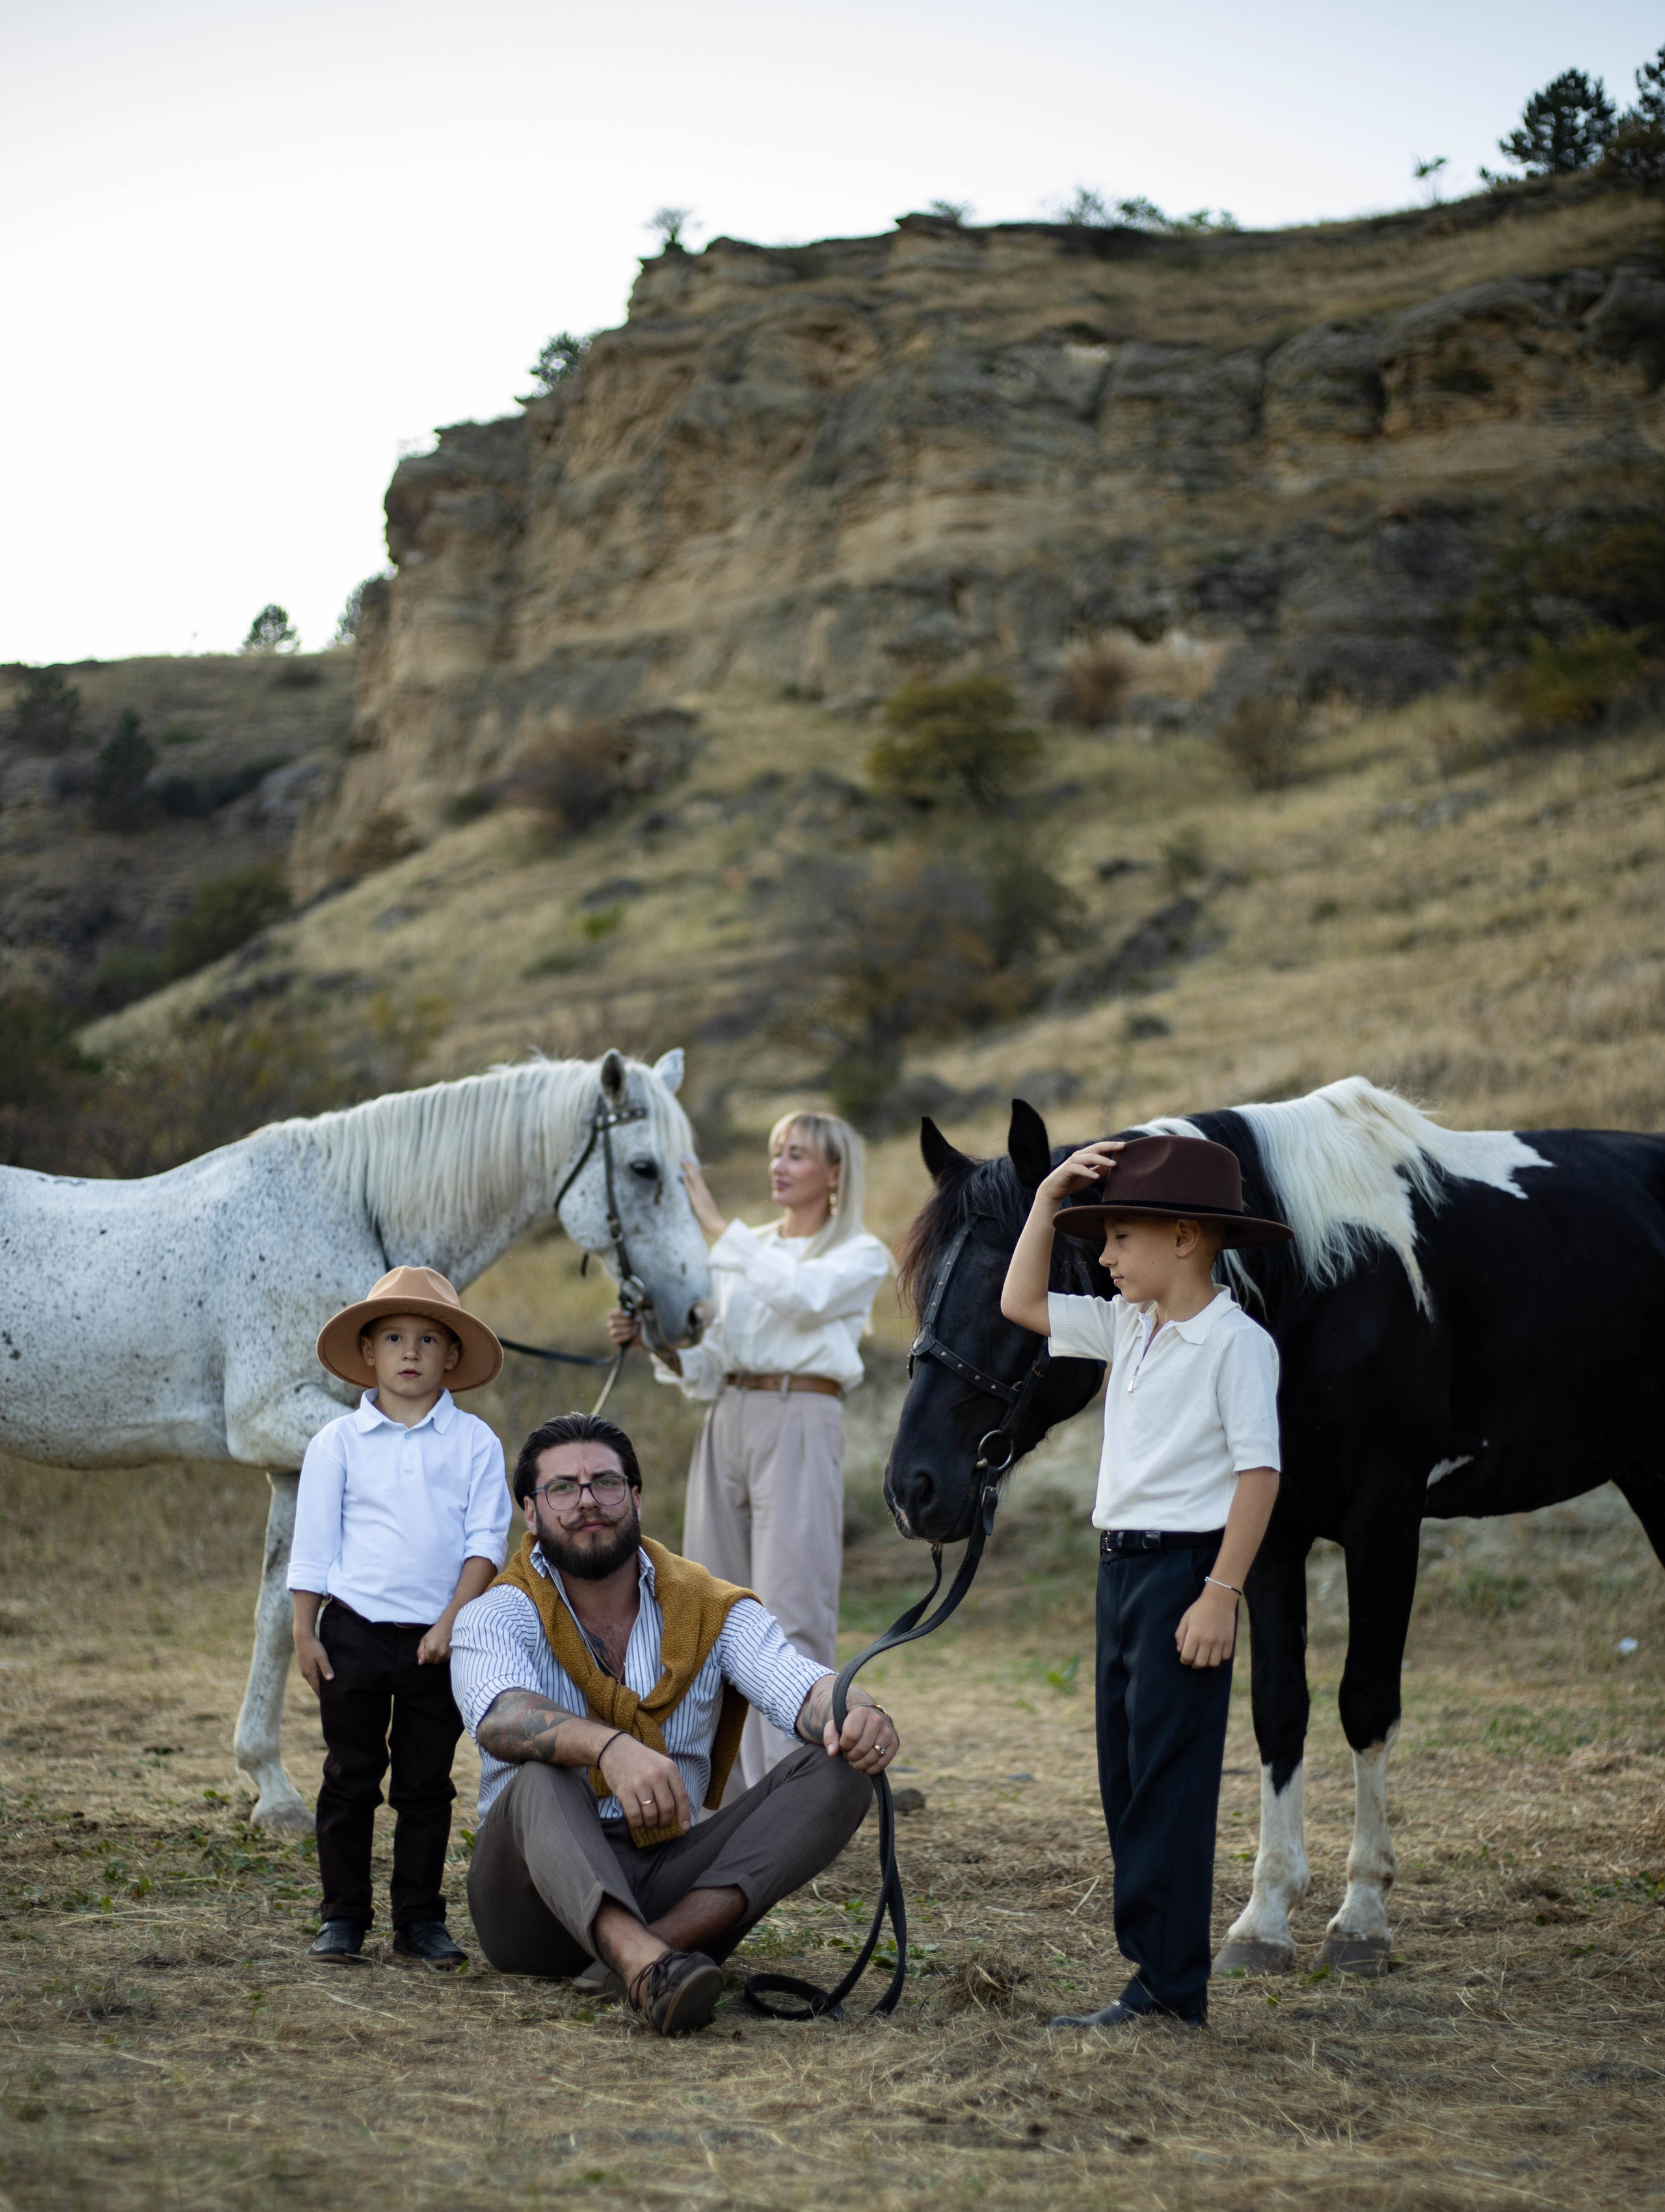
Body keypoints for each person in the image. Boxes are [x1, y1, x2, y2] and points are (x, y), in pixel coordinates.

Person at [449, 1410, 900, 2036]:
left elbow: (796, 1683)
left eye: (605, 1483)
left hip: (669, 1877)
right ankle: (639, 1963)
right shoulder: (496, 1612)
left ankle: (653, 1950)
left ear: (635, 1496)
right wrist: (609, 1748)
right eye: (562, 1488)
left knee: (839, 1767)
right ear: (530, 1511)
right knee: (542, 1773)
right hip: (532, 1905)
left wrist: (855, 1712)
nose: (588, 1503)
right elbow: (500, 1718)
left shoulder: (707, 1605)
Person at [1000, 1134, 1288, 2029]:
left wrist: (1222, 1592)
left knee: (1170, 1781)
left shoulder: (1236, 1343)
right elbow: (1018, 1301)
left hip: (1186, 1575)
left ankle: (1170, 1989)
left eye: (1121, 1238)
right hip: (1119, 1569)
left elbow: (1260, 1475)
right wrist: (1047, 1198)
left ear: (1188, 1237)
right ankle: (1152, 1969)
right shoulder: (1128, 1324)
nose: (1108, 1257)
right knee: (1124, 1775)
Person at [609, 1112, 890, 1790]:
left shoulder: (858, 1252)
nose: (779, 1164)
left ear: (834, 1174)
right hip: (726, 1415)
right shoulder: (743, 1249)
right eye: (774, 1151)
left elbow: (802, 1297)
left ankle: (793, 1796)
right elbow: (708, 1365)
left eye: (796, 1153)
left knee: (791, 1609)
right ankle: (720, 1797)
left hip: (800, 1416)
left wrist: (711, 1222)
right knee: (710, 1607)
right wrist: (658, 1343)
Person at [289, 1265, 513, 1970]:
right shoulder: (338, 1443)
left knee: (425, 1784)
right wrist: (303, 1629)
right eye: (392, 1337)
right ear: (369, 1354)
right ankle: (344, 1915)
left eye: (426, 1338)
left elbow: (485, 1543)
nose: (409, 1351)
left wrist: (452, 1619)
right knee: (350, 1777)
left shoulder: (474, 1442)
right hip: (353, 1630)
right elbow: (314, 1545)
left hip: (437, 1640)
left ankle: (419, 1917)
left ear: (451, 1355)